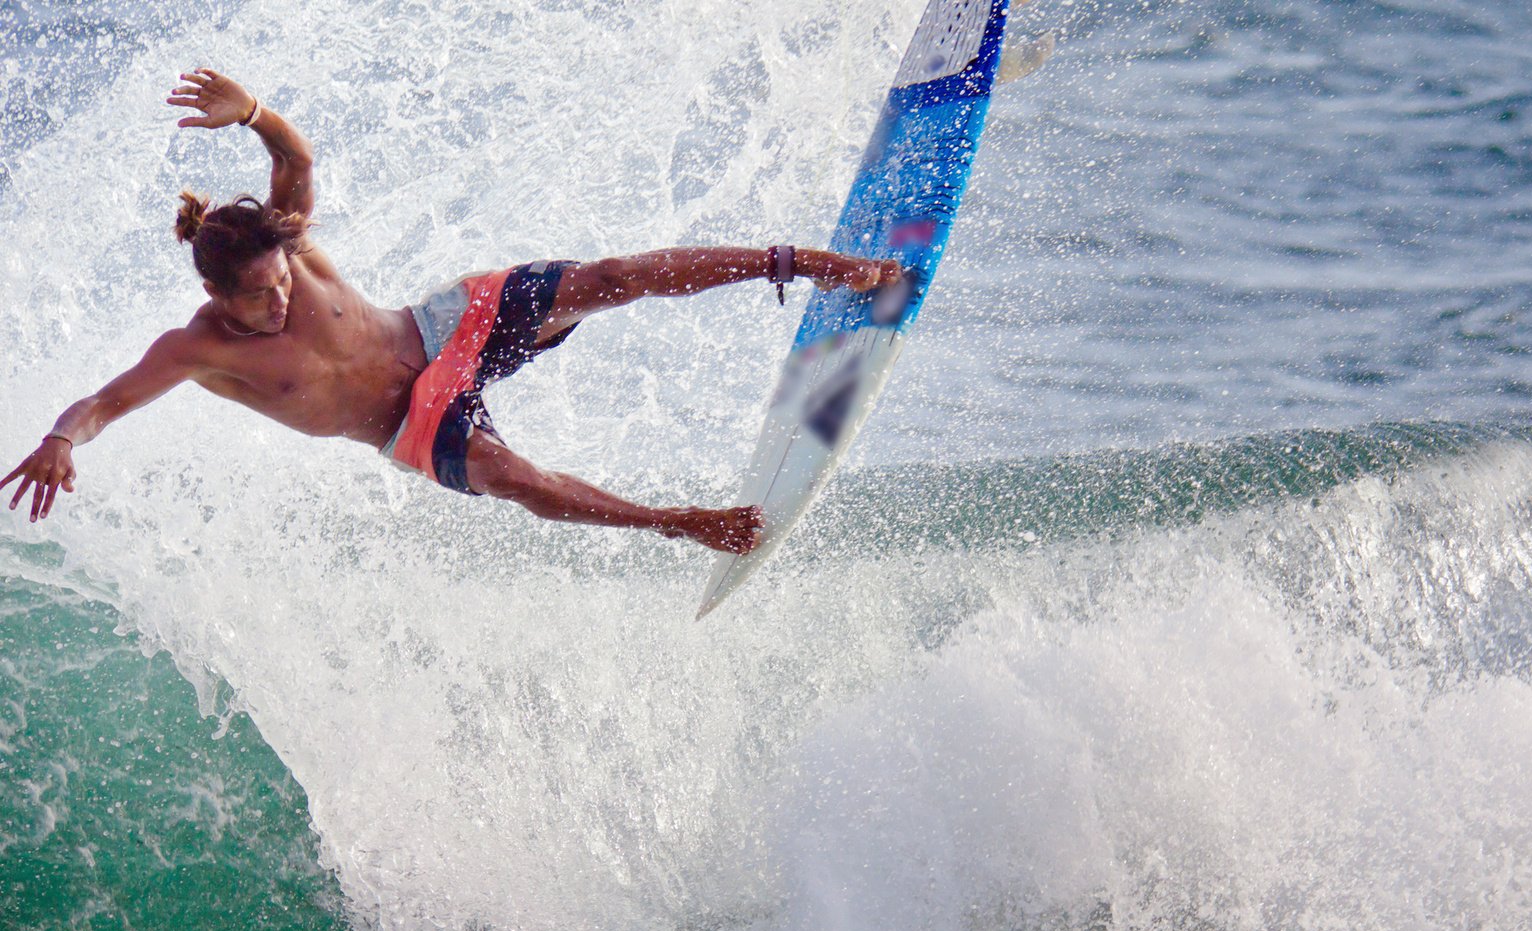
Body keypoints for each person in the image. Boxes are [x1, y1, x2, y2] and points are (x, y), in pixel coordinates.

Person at [3, 69, 903, 553]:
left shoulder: (289, 250)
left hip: (444, 326)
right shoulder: (198, 349)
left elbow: (296, 165)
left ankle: (803, 264)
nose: (281, 299)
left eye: (283, 281)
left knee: (613, 276)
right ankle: (685, 522)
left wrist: (257, 114)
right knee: (523, 482)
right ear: (215, 296)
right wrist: (60, 438)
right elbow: (105, 402)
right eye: (261, 297)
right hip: (413, 422)